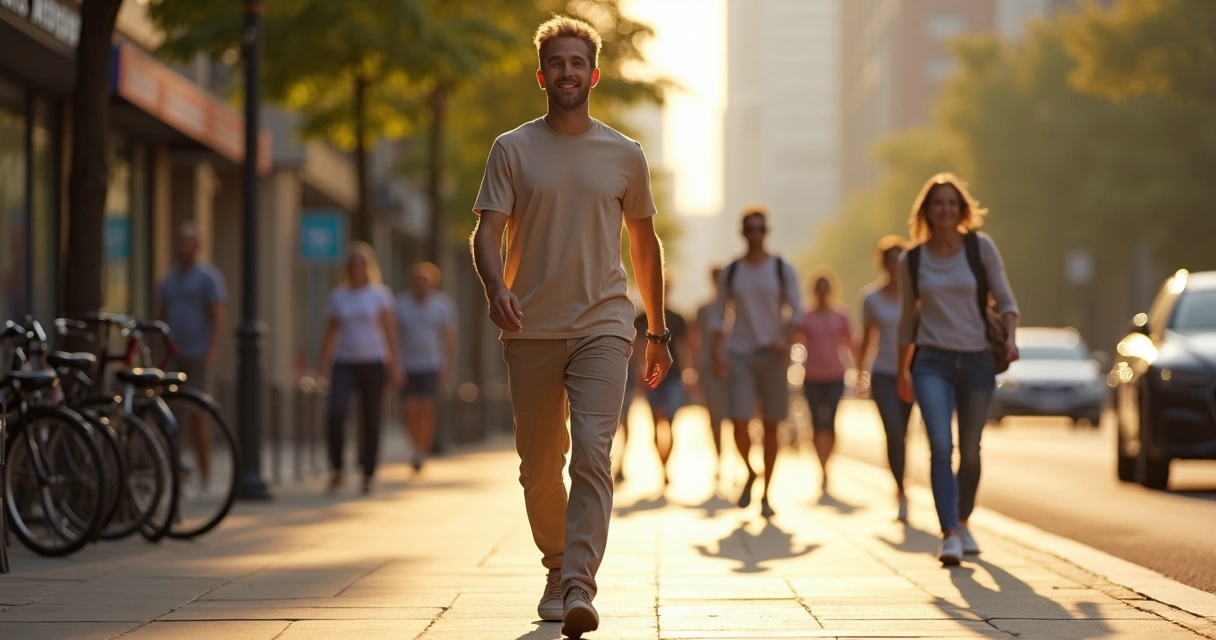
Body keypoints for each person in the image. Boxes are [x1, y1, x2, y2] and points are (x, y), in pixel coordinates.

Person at [469, 16, 671, 638]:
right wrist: (497, 287)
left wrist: (656, 330)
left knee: (591, 451)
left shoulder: (624, 154)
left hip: (605, 324)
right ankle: (556, 563)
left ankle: (580, 582)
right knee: (538, 465)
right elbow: (486, 232)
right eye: (556, 63)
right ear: (541, 75)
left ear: (594, 73)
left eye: (576, 63)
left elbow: (645, 244)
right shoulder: (512, 148)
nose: (566, 72)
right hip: (529, 326)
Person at [896, 173, 1019, 566]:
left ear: (961, 209)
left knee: (970, 448)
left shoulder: (979, 248)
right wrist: (902, 370)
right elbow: (905, 321)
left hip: (979, 359)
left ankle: (964, 520)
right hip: (931, 360)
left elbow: (1005, 298)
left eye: (952, 202)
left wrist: (1012, 337)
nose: (945, 209)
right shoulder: (911, 259)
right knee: (940, 445)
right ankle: (948, 532)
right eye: (938, 203)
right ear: (927, 212)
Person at [709, 206, 804, 519]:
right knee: (738, 419)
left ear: (767, 231)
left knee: (772, 425)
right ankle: (751, 471)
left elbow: (797, 311)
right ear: (742, 232)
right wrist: (716, 355)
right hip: (740, 354)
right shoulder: (732, 271)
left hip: (773, 354)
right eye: (750, 228)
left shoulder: (781, 267)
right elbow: (718, 316)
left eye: (760, 228)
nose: (755, 234)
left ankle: (766, 494)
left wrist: (785, 337)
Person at [318, 242, 401, 495]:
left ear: (368, 268)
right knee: (336, 412)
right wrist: (322, 365)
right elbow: (331, 332)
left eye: (361, 264)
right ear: (347, 268)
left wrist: (396, 365)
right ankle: (337, 470)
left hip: (373, 361)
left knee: (371, 417)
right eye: (353, 264)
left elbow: (389, 331)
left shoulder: (380, 295)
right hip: (344, 362)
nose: (357, 269)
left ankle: (368, 472)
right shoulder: (338, 296)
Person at [158, 221, 227, 490]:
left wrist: (213, 347)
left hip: (198, 353)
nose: (183, 246)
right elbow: (161, 315)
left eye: (188, 241)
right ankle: (176, 467)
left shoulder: (209, 278)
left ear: (198, 245)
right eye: (180, 240)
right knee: (172, 414)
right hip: (174, 354)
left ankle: (205, 472)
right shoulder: (169, 280)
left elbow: (218, 314)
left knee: (199, 413)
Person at [856, 235, 914, 522]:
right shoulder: (871, 297)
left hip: (912, 372)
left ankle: (901, 481)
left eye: (899, 259)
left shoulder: (917, 295)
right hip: (882, 373)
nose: (894, 265)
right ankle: (901, 491)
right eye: (889, 260)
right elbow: (867, 339)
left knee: (904, 433)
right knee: (893, 431)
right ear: (883, 263)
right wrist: (861, 376)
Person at [395, 262, 458, 473]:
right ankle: (416, 446)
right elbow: (394, 337)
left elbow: (448, 337)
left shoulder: (442, 305)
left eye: (426, 280)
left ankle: (422, 451)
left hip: (432, 364)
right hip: (408, 364)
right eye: (418, 280)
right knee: (410, 408)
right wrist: (396, 365)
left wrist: (446, 365)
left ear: (432, 282)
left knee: (427, 408)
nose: (421, 284)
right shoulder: (401, 305)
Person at [795, 267, 853, 497]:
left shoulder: (841, 315)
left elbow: (851, 343)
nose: (822, 292)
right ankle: (821, 467)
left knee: (830, 421)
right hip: (811, 376)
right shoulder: (805, 316)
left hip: (836, 375)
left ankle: (828, 463)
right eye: (818, 288)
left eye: (825, 287)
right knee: (816, 423)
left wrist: (861, 374)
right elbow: (794, 342)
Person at [633, 281, 691, 488]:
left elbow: (684, 347)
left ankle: (667, 464)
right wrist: (641, 371)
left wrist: (687, 372)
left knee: (670, 422)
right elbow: (639, 346)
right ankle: (662, 468)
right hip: (651, 376)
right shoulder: (640, 319)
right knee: (657, 423)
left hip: (673, 376)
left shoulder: (677, 318)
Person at [692, 265, 728, 483]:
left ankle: (739, 461)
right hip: (710, 368)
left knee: (739, 416)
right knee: (715, 418)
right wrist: (695, 370)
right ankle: (719, 460)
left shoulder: (736, 307)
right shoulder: (704, 309)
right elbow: (695, 340)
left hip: (733, 367)